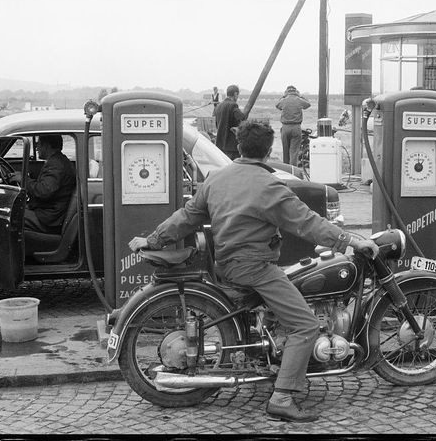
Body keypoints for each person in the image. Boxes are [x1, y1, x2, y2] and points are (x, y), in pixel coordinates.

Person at [128, 120, 379, 423]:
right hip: (255, 268)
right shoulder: (270, 186)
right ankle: (283, 397)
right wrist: (351, 240)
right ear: (269, 149)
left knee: (287, 291)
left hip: (226, 265)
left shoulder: (216, 179)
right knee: (306, 326)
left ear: (240, 147)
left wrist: (152, 239)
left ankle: (278, 357)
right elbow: (308, 222)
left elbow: (186, 217)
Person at [8, 135, 76, 234]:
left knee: (11, 215)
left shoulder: (56, 165)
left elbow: (44, 191)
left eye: (38, 144)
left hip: (50, 217)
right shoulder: (58, 161)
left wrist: (24, 179)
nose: (36, 148)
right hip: (50, 211)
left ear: (47, 146)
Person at [276, 85, 311, 165]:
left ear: (287, 92)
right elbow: (308, 104)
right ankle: (293, 171)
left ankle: (286, 170)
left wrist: (283, 96)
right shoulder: (299, 100)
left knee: (285, 151)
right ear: (296, 92)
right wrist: (301, 96)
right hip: (296, 127)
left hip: (285, 127)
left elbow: (277, 105)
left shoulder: (284, 100)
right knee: (294, 152)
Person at [213, 84, 246, 160]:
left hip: (220, 145)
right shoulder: (233, 105)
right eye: (237, 95)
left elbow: (217, 124)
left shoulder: (219, 106)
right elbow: (241, 117)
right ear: (235, 94)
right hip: (231, 147)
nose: (237, 98)